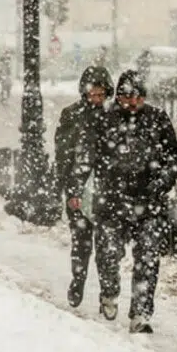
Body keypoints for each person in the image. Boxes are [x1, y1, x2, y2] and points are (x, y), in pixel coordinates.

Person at [74, 69, 177, 333]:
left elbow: (174, 158)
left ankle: (141, 312)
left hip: (149, 202)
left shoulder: (157, 119)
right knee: (109, 254)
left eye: (137, 97)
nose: (132, 103)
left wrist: (162, 181)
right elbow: (86, 156)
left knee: (147, 258)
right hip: (112, 201)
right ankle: (109, 293)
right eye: (126, 97)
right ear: (118, 97)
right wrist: (78, 189)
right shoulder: (105, 120)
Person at [56, 66, 114, 309]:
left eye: (101, 95)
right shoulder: (72, 115)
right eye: (93, 94)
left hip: (105, 190)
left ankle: (107, 291)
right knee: (81, 242)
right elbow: (63, 155)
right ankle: (78, 280)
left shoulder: (112, 117)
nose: (97, 99)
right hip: (79, 187)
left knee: (106, 246)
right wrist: (70, 189)